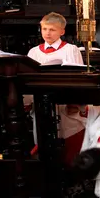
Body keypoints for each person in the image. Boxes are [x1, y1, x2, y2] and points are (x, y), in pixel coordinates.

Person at [26, 13, 85, 160]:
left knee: (68, 137)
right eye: (44, 29)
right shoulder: (33, 52)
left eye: (52, 29)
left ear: (62, 31)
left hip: (64, 101)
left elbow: (79, 76)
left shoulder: (71, 50)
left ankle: (70, 167)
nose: (47, 33)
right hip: (41, 102)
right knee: (42, 136)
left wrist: (75, 102)